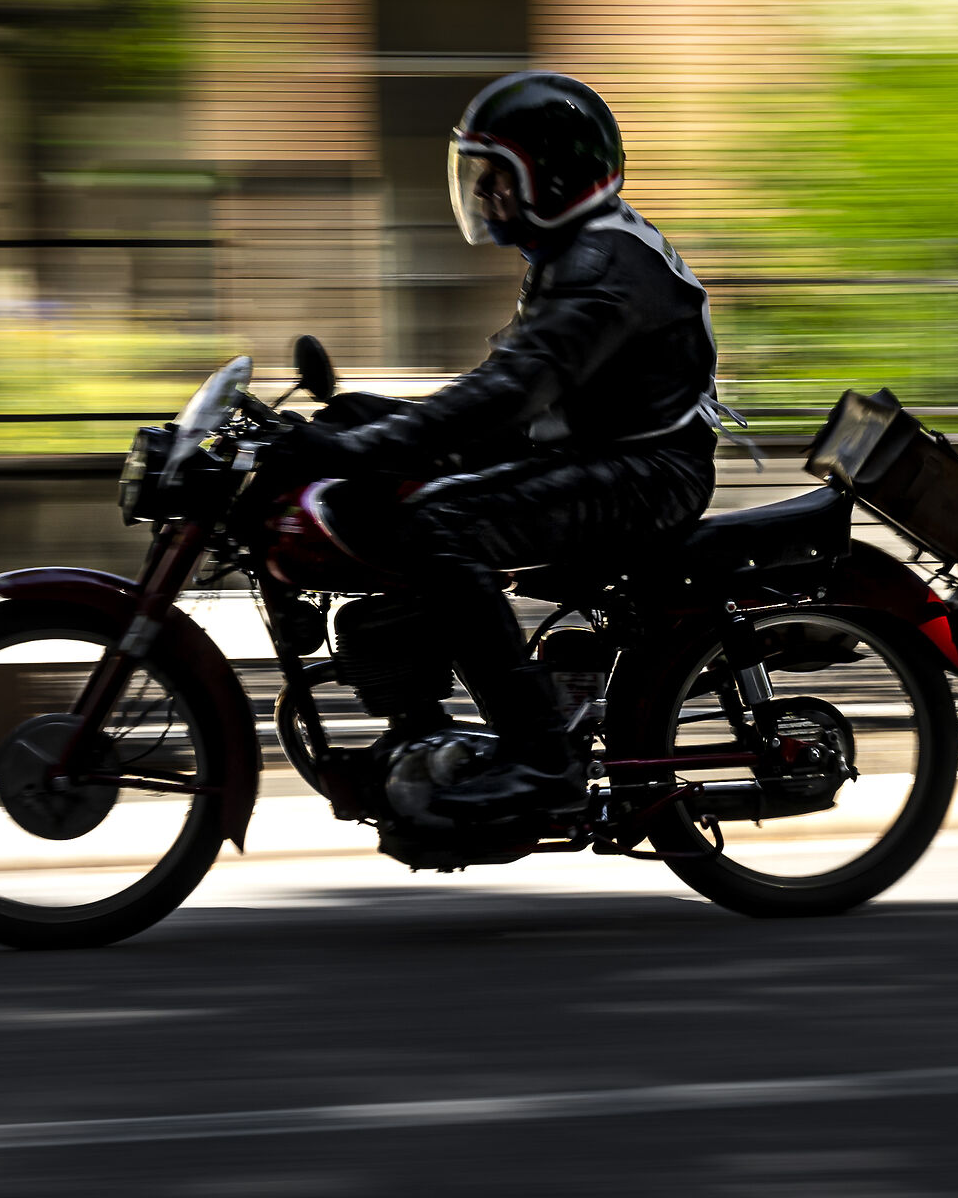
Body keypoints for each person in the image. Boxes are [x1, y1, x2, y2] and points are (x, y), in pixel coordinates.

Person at [262, 71, 721, 817]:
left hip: (643, 474)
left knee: (440, 523)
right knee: (376, 454)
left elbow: (506, 399)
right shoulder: (577, 252)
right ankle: (425, 716)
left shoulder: (601, 267)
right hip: (597, 452)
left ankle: (541, 761)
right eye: (480, 176)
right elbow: (502, 391)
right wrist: (349, 421)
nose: (483, 195)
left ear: (553, 174)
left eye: (497, 175)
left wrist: (354, 449)